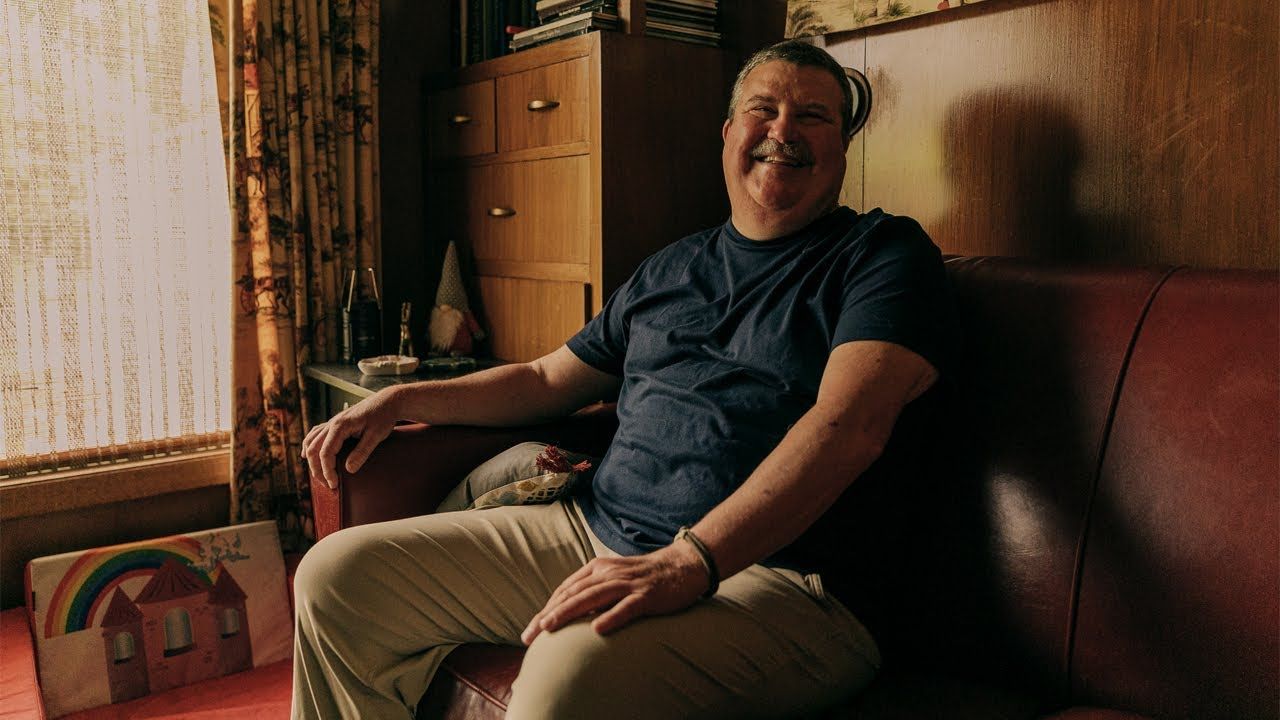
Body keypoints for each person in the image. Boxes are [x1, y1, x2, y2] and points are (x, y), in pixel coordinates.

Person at [293, 39, 954, 720]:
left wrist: (691, 559)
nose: (783, 131)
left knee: (567, 672)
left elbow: (850, 427)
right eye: (764, 109)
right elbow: (547, 379)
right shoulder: (669, 269)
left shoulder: (883, 256)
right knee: (337, 578)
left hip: (782, 581)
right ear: (729, 134)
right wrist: (400, 399)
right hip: (596, 532)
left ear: (843, 148)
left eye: (813, 117)